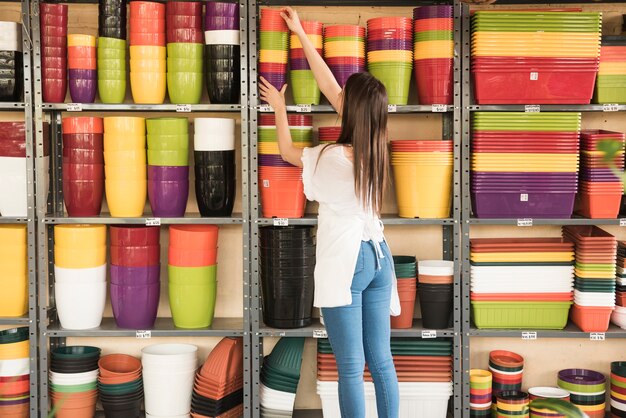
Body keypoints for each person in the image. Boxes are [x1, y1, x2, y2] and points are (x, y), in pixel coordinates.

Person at [258, 7, 401, 418]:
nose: (337, 95)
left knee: (351, 368)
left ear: (350, 111)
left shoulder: (331, 158)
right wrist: (301, 33)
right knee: (382, 362)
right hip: (378, 257)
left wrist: (280, 108)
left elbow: (287, 153)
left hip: (348, 260)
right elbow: (330, 85)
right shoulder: (376, 146)